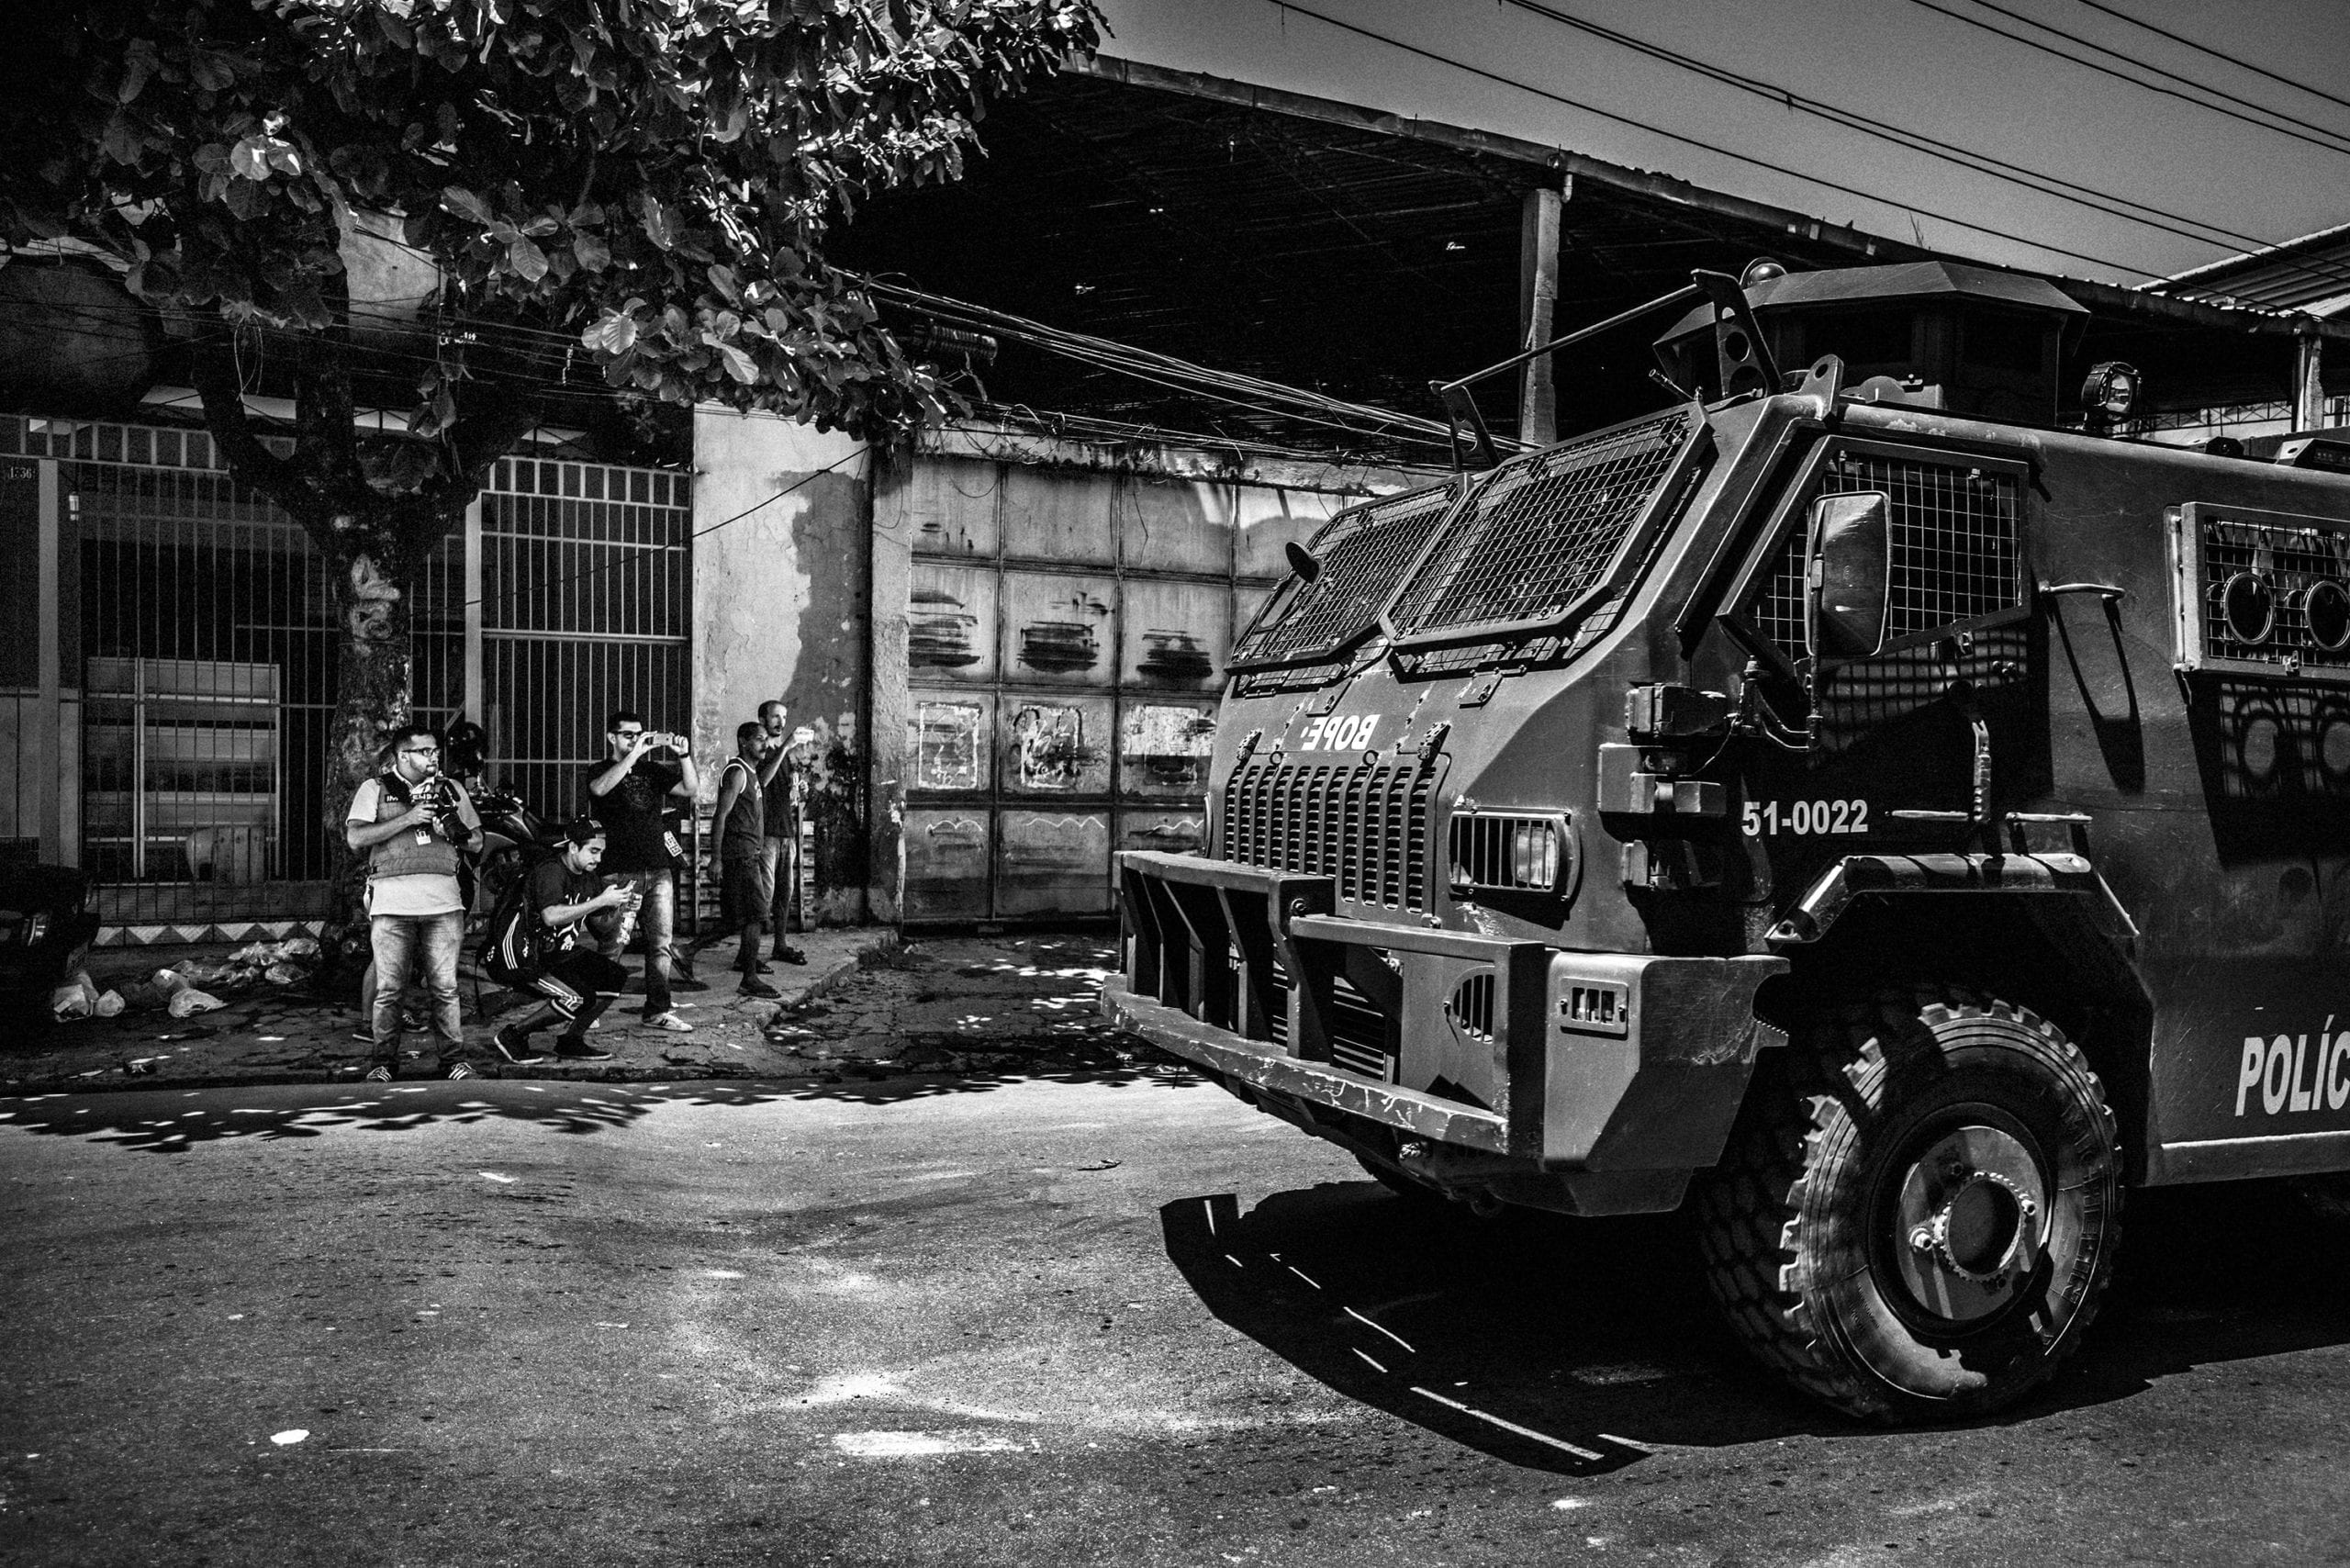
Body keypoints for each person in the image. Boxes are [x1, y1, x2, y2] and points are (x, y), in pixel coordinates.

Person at [345, 724, 483, 1081]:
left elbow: (478, 842)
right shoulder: (374, 789)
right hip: (392, 904)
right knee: (390, 989)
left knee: (446, 988)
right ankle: (383, 1063)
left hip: (444, 902)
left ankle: (453, 1060)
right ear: (402, 755)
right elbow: (356, 837)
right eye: (424, 751)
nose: (433, 756)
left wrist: (450, 831)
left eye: (435, 751)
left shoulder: (450, 790)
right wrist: (408, 819)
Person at [583, 710, 699, 1032]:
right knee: (612, 945)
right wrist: (633, 755)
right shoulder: (601, 769)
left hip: (658, 869)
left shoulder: (652, 770)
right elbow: (600, 789)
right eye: (627, 734)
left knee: (660, 943)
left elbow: (690, 790)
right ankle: (589, 1010)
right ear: (612, 737)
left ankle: (657, 1011)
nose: (635, 739)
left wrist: (684, 755)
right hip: (619, 871)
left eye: (639, 734)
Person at [493, 820, 631, 1063]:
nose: (598, 859)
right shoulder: (551, 871)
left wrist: (621, 908)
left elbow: (602, 929)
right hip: (524, 954)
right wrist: (599, 901)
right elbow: (551, 916)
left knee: (614, 976)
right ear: (573, 848)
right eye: (594, 851)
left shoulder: (589, 877)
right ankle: (513, 1035)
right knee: (576, 998)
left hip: (557, 953)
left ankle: (571, 1041)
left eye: (601, 852)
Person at [702, 722, 785, 999]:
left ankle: (685, 950)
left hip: (749, 854)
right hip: (739, 857)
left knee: (734, 920)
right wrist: (716, 859)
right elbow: (720, 816)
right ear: (743, 742)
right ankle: (749, 979)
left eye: (765, 739)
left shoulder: (751, 772)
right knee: (755, 917)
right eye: (759, 740)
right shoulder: (737, 771)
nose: (764, 744)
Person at [755, 699, 810, 966]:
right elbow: (762, 781)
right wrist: (786, 746)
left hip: (786, 832)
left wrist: (798, 791)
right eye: (775, 717)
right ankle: (748, 956)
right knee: (763, 897)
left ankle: (780, 945)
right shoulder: (759, 748)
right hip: (766, 834)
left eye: (784, 717)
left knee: (784, 894)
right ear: (763, 720)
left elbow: (782, 791)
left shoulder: (782, 753)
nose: (781, 722)